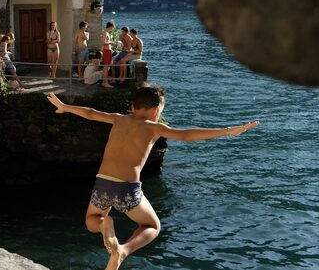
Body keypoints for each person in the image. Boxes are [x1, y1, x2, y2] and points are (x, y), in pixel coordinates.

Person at [47, 87, 259, 270]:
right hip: (127, 190)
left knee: (92, 220)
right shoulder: (154, 127)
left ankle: (105, 225)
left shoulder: (119, 119)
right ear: (157, 110)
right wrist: (227, 131)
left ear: (132, 106)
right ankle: (123, 251)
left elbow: (91, 113)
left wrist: (65, 107)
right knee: (152, 226)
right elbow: (186, 135)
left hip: (102, 182)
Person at [99, 21, 116, 88]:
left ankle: (104, 82)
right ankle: (106, 83)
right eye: (112, 28)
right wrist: (111, 43)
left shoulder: (106, 32)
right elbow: (103, 43)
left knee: (106, 67)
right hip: (106, 51)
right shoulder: (105, 33)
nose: (112, 29)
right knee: (106, 68)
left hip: (107, 51)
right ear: (111, 27)